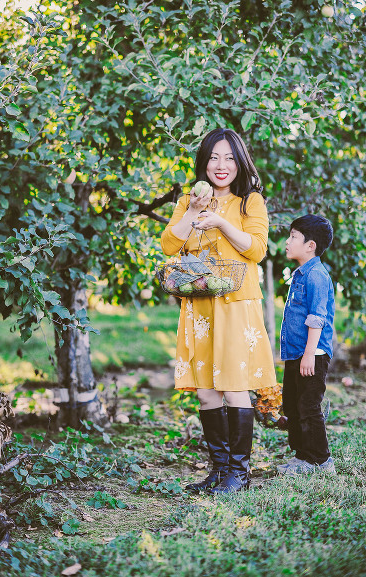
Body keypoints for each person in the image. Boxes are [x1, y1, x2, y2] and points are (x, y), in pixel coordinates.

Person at [161, 128, 276, 494]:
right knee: (206, 391)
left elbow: (256, 249)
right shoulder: (188, 199)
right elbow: (169, 244)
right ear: (204, 163)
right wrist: (193, 210)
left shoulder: (249, 202)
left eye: (228, 158)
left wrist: (223, 224)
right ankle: (219, 469)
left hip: (236, 306)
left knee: (234, 386)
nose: (221, 165)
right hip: (199, 307)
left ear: (239, 162)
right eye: (214, 157)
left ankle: (239, 475)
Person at [277, 215, 336, 475]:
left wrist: (309, 355)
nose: (287, 242)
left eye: (293, 237)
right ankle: (303, 458)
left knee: (309, 406)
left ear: (310, 245)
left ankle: (322, 461)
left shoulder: (317, 276)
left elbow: (316, 318)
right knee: (292, 404)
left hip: (312, 354)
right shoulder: (300, 274)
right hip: (298, 353)